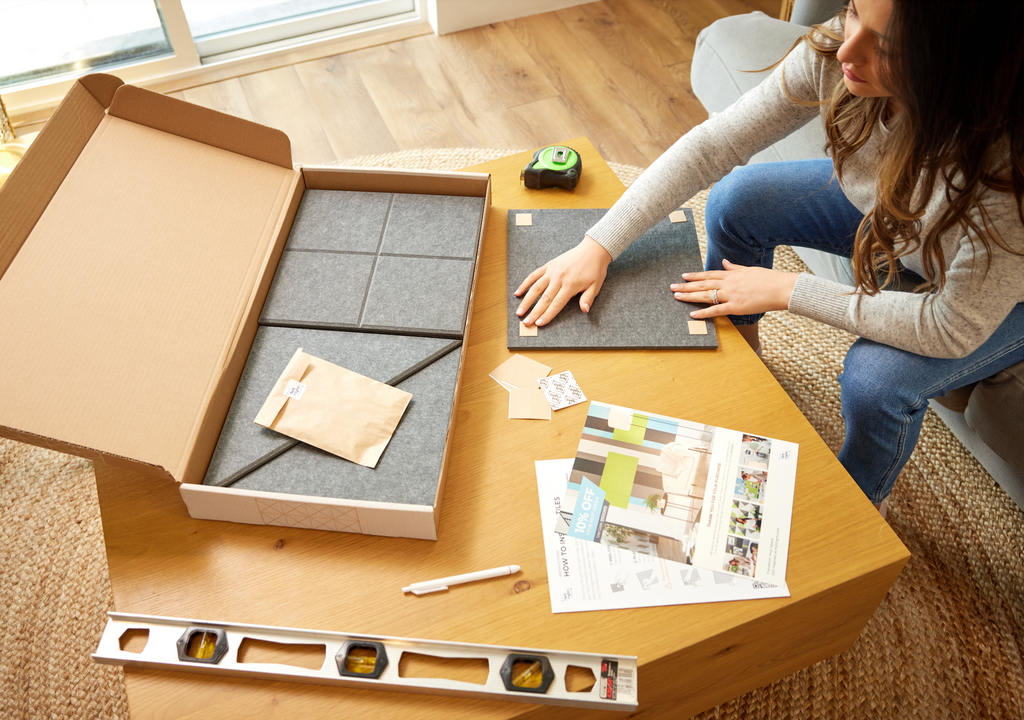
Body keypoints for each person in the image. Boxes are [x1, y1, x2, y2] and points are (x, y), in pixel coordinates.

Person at [513, 0, 1024, 515]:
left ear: (956, 66)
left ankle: (860, 507)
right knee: (737, 200)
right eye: (851, 11)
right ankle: (748, 373)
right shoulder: (839, 52)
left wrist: (785, 290)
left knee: (875, 380)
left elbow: (952, 326)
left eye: (886, 47)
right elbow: (715, 143)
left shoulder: (1006, 176)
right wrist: (597, 244)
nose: (848, 47)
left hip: (1000, 296)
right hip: (904, 221)